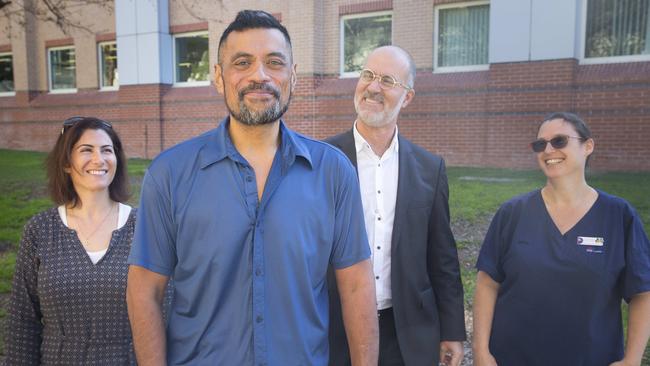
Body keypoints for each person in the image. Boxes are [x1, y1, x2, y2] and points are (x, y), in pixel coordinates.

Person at [126, 10, 378, 366]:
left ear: (293, 76)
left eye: (274, 63)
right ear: (218, 76)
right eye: (242, 62)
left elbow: (356, 285)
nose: (260, 76)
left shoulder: (333, 172)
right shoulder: (169, 175)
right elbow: (144, 290)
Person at [473, 112, 650, 366]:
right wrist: (481, 352)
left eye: (559, 141)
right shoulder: (513, 213)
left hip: (591, 358)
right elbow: (487, 283)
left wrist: (632, 360)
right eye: (539, 144)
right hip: (513, 357)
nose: (548, 150)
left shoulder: (619, 216)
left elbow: (643, 292)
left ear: (588, 146)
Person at [326, 46, 466, 366]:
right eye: (368, 76)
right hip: (336, 327)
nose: (373, 87)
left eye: (387, 80)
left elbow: (442, 256)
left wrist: (452, 330)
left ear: (408, 97)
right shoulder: (323, 160)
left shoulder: (430, 169)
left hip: (406, 333)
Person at [6, 116, 136, 364]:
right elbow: (23, 321)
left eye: (107, 150)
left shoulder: (143, 227)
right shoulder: (40, 231)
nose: (99, 159)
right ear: (66, 163)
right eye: (86, 150)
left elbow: (167, 309)